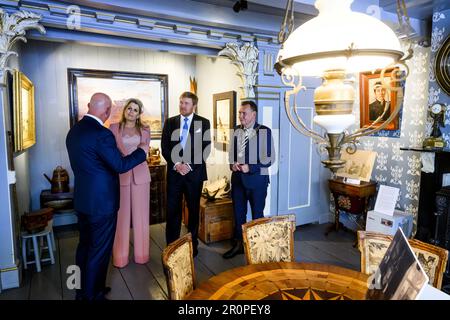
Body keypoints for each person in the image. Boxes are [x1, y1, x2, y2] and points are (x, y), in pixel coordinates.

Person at [66, 93, 147, 300]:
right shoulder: (102, 134)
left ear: (88, 106)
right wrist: (141, 152)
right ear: (107, 111)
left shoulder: (73, 131)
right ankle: (93, 296)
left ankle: (80, 290)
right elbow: (120, 165)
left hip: (83, 201)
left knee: (83, 247)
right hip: (102, 204)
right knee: (99, 252)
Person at [161, 92, 211, 257]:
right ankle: (172, 246)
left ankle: (193, 245)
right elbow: (165, 147)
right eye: (181, 102)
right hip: (175, 175)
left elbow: (205, 148)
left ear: (194, 105)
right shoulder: (170, 122)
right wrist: (176, 164)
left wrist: (188, 166)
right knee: (172, 211)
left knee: (194, 210)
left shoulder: (203, 123)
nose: (182, 106)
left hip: (194, 174)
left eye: (186, 103)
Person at [223, 100, 274, 259]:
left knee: (257, 214)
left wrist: (250, 167)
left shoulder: (265, 131)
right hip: (237, 180)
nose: (240, 116)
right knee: (238, 215)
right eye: (239, 113)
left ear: (253, 114)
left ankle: (258, 247)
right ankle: (239, 245)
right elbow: (231, 154)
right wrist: (232, 165)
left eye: (244, 113)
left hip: (257, 182)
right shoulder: (236, 130)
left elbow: (269, 159)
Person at [109, 98, 151, 268]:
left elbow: (145, 150)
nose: (131, 112)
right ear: (124, 110)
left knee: (141, 218)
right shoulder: (113, 128)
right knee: (121, 218)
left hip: (141, 176)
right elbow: (110, 152)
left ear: (139, 113)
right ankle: (120, 257)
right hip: (121, 176)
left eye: (135, 109)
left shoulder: (145, 130)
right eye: (129, 108)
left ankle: (142, 255)